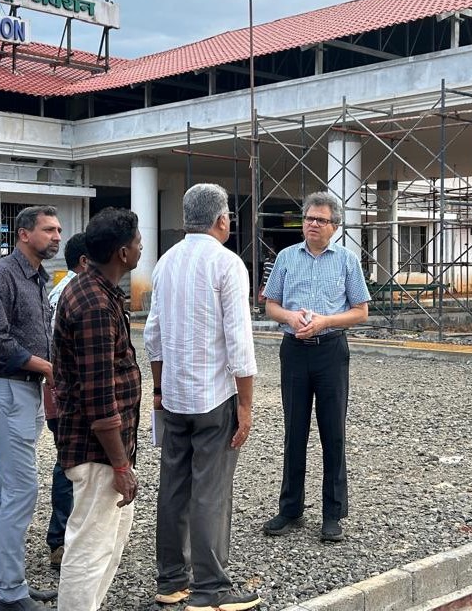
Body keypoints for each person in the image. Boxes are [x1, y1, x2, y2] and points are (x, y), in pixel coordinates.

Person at [143, 184, 261, 611]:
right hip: (214, 395)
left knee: (174, 486)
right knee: (211, 490)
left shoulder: (165, 262)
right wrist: (246, 405)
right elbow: (239, 344)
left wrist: (158, 387)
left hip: (173, 395)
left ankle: (172, 580)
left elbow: (152, 335)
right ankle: (212, 588)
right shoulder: (227, 264)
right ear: (222, 220)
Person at [261, 191, 371, 543]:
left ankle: (332, 513)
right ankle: (290, 508)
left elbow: (361, 310)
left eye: (320, 220)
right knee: (294, 430)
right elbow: (270, 305)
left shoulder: (347, 262)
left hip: (330, 351)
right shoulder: (286, 258)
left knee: (332, 432)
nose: (312, 224)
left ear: (334, 227)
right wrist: (290, 316)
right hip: (293, 350)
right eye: (308, 218)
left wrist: (325, 322)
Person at [0, 205, 61, 611]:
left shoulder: (38, 278)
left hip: (23, 390)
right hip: (6, 389)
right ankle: (10, 592)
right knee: (22, 489)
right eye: (48, 229)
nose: (57, 236)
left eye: (58, 229)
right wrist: (46, 366)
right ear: (24, 234)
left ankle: (2, 583)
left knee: (5, 488)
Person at [53, 209, 142, 611]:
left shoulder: (97, 290)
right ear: (123, 253)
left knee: (107, 544)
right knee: (90, 547)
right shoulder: (94, 304)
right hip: (97, 451)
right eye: (139, 242)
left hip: (106, 449)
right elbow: (99, 395)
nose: (142, 246)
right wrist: (121, 465)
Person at [44, 233, 88, 570]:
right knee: (68, 464)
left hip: (62, 392)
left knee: (71, 462)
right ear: (86, 261)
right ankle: (60, 540)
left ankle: (69, 535)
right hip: (67, 393)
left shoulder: (63, 289)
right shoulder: (74, 293)